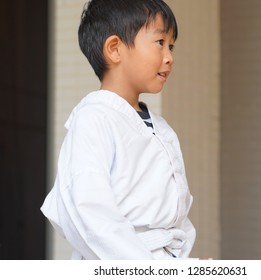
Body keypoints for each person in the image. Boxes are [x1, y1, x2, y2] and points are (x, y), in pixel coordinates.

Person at [41, 0, 196, 260]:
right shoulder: (93, 119)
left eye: (171, 46)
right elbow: (90, 212)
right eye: (160, 43)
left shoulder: (162, 129)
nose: (169, 57)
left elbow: (177, 217)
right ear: (115, 49)